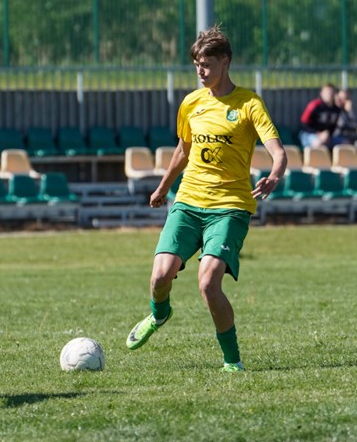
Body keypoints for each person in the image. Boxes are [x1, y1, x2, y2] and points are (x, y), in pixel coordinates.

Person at [124, 26, 287, 372]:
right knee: (160, 277)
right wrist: (163, 188)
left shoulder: (249, 103)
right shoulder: (191, 103)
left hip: (229, 208)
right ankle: (159, 314)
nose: (200, 70)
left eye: (207, 64)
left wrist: (275, 174)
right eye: (197, 64)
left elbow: (278, 151)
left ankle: (232, 362)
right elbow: (183, 151)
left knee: (208, 283)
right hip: (188, 202)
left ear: (225, 62)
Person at [298, 83, 341, 149]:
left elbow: (334, 127)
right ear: (321, 94)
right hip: (308, 134)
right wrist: (318, 133)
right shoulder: (315, 105)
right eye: (327, 92)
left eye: (331, 92)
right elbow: (303, 124)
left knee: (345, 144)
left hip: (327, 136)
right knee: (319, 143)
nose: (329, 95)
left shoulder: (336, 109)